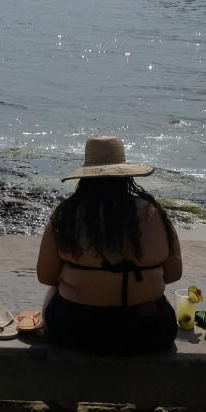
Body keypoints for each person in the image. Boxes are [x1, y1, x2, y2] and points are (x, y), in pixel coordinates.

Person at [37, 139, 182, 356]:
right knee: (158, 296)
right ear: (126, 176)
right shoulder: (154, 213)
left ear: (85, 177)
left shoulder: (66, 215)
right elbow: (173, 274)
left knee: (55, 288)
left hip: (77, 330)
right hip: (150, 332)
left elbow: (46, 276)